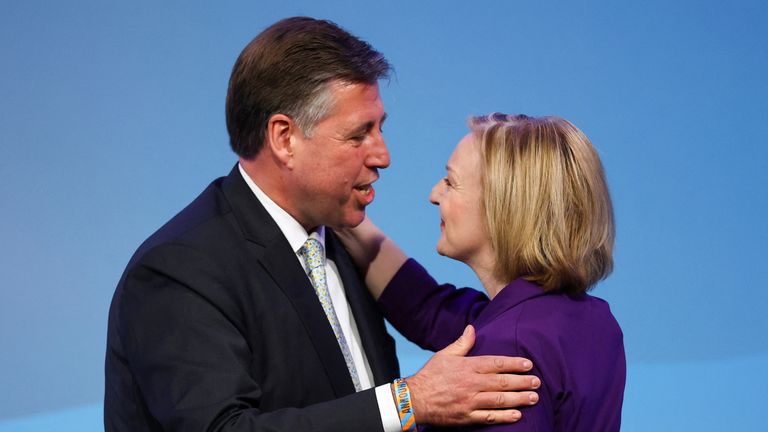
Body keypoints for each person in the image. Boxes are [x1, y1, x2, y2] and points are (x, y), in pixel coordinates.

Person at [104, 18, 540, 432]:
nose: (382, 155)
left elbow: (440, 312)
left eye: (380, 129)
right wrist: (409, 401)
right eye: (358, 135)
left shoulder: (338, 240)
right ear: (284, 138)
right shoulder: (181, 269)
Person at [339, 113, 626, 431]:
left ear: (502, 207)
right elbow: (427, 309)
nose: (434, 194)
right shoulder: (588, 321)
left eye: (450, 182)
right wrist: (338, 212)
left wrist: (406, 405)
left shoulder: (509, 350)